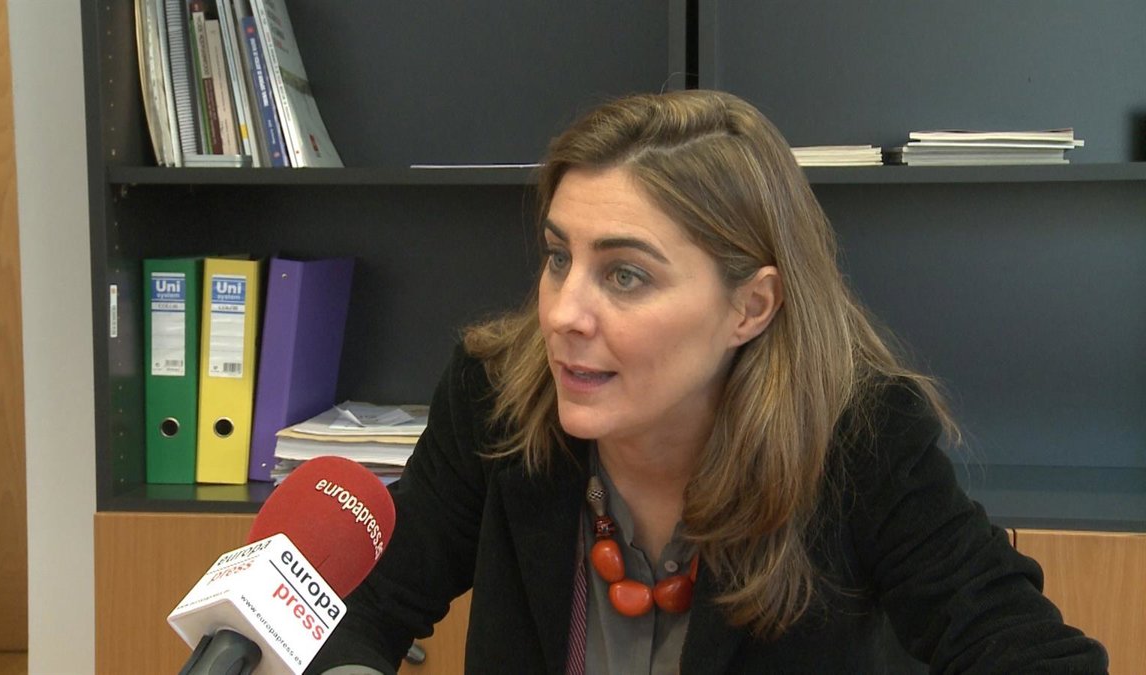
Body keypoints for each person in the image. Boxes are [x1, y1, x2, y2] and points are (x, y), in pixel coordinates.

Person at [310, 90, 1108, 674]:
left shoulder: (859, 438)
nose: (561, 313)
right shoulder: (497, 398)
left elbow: (1021, 646)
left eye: (625, 274)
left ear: (750, 307)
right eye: (559, 257)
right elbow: (357, 609)